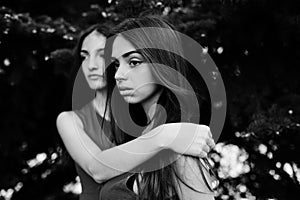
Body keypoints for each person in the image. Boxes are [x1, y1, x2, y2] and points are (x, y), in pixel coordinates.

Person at [56, 23, 215, 200]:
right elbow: (97, 169)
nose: (91, 65)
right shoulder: (139, 126)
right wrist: (162, 135)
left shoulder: (174, 139)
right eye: (84, 56)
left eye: (102, 55)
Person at [102, 15, 217, 200]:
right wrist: (161, 136)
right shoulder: (141, 138)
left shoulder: (182, 146)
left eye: (134, 62)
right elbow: (96, 168)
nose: (118, 75)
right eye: (116, 64)